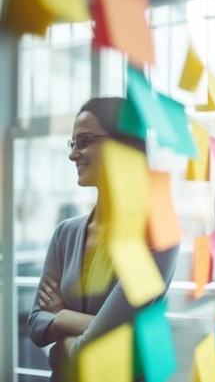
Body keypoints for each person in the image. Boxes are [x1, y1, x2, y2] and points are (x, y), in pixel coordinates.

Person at [28, 97, 179, 381]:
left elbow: (103, 341)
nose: (74, 155)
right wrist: (101, 329)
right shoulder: (66, 233)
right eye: (72, 144)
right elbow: (36, 325)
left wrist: (60, 317)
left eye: (84, 141)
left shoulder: (156, 232)